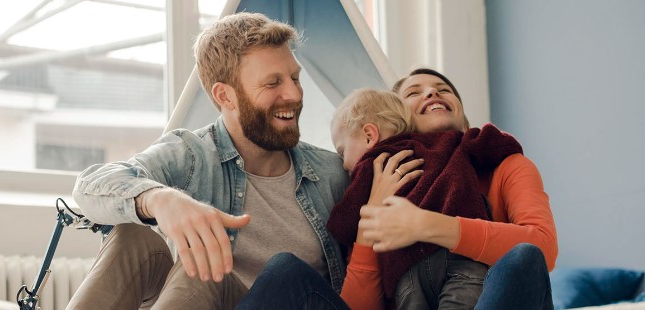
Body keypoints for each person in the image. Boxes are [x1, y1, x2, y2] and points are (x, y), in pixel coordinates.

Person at [66, 12, 350, 309]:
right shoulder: (191, 155)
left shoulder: (330, 173)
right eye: (272, 83)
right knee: (139, 239)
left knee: (260, 268)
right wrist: (160, 200)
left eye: (294, 77)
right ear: (226, 97)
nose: (293, 93)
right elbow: (89, 185)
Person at [237, 68, 558, 310]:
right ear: (396, 126)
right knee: (284, 270)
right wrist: (371, 220)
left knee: (524, 258)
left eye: (443, 89)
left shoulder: (505, 164)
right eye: (414, 92)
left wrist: (425, 225)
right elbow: (360, 308)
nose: (432, 93)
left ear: (463, 120)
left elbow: (544, 249)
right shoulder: (377, 182)